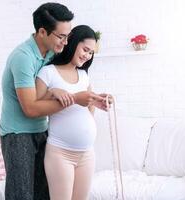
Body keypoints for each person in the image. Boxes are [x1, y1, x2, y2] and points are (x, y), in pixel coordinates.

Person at [36, 25, 112, 200]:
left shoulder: (84, 75)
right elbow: (36, 108)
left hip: (87, 153)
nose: (87, 56)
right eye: (85, 49)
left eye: (91, 53)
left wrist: (101, 102)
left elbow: (89, 105)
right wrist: (53, 92)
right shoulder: (48, 73)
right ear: (72, 42)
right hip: (60, 154)